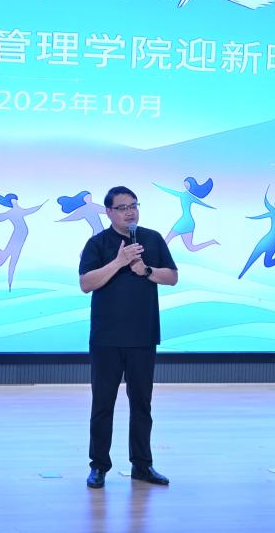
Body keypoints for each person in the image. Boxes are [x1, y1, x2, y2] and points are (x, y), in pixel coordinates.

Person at [78, 186, 178, 489]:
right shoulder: (97, 243)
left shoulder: (152, 239)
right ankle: (99, 466)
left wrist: (145, 270)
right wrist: (119, 262)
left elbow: (172, 277)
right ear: (109, 212)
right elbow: (86, 283)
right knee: (103, 405)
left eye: (134, 205)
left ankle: (142, 465)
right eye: (122, 207)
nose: (130, 212)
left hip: (143, 336)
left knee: (142, 405)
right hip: (106, 338)